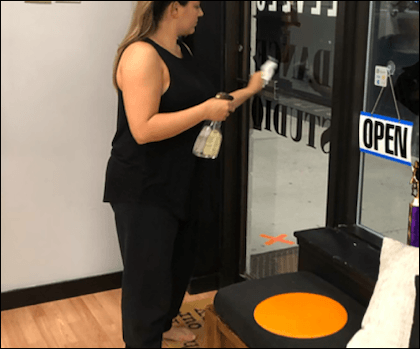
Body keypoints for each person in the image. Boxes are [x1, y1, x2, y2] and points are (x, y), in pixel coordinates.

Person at [103, 1, 264, 348]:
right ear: (174, 8)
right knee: (145, 285)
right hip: (143, 188)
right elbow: (143, 129)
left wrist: (249, 90)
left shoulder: (181, 50)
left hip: (181, 182)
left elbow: (208, 104)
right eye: (195, 5)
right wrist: (205, 110)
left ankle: (161, 327)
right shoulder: (141, 55)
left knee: (175, 269)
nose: (201, 13)